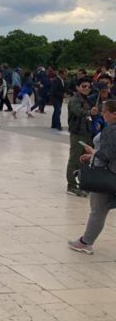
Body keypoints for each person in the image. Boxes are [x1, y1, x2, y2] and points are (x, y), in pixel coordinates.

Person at [68, 99, 116, 255]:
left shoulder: (112, 130)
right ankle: (85, 241)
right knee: (100, 210)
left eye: (105, 112)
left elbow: (108, 154)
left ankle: (85, 242)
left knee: (98, 210)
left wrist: (92, 154)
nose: (102, 114)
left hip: (106, 174)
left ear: (113, 114)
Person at [66, 77, 95, 197]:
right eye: (84, 86)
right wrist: (90, 112)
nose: (87, 88)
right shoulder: (74, 100)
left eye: (88, 86)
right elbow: (78, 112)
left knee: (86, 160)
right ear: (77, 87)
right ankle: (71, 185)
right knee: (74, 159)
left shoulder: (88, 99)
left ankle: (83, 184)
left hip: (88, 133)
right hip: (78, 133)